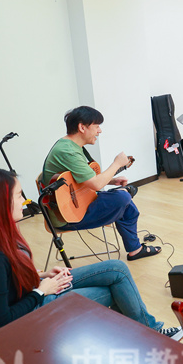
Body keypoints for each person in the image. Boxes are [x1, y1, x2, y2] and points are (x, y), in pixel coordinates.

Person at [0, 167, 181, 339]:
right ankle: (148, 335)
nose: (24, 201)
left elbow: (6, 281)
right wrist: (41, 291)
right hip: (30, 315)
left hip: (33, 293)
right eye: (18, 195)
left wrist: (41, 275)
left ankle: (145, 333)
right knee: (112, 291)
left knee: (117, 269)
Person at [42, 106, 159, 261]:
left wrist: (112, 181)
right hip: (67, 216)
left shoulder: (70, 146)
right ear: (82, 127)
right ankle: (125, 199)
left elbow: (79, 180)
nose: (99, 131)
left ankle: (135, 249)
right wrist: (117, 163)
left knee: (127, 205)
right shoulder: (68, 152)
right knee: (123, 199)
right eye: (97, 126)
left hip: (75, 205)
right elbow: (96, 185)